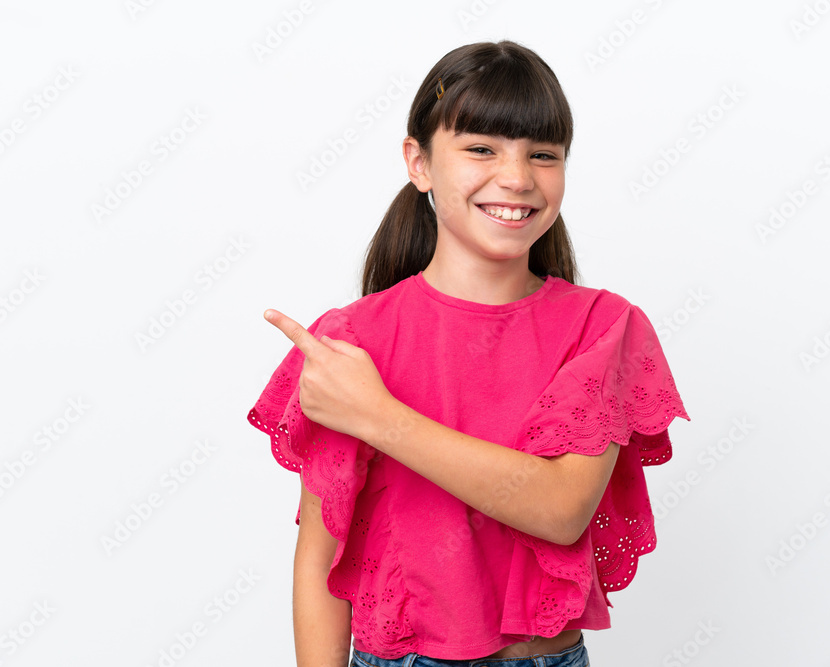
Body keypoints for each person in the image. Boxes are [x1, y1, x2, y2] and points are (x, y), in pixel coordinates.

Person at [248, 40, 691, 667]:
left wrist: (378, 416)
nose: (516, 178)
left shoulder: (602, 326)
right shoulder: (351, 341)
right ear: (419, 162)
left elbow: (560, 509)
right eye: (481, 148)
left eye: (543, 155)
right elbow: (320, 556)